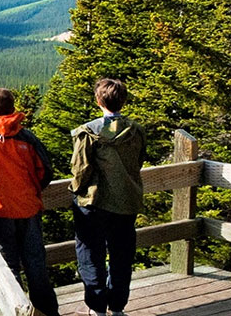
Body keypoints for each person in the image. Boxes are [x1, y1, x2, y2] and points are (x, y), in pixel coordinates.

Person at [0, 88, 58, 316]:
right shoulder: (27, 138)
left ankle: (15, 311)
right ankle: (48, 313)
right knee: (36, 265)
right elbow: (45, 171)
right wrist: (29, 191)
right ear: (13, 109)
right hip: (28, 208)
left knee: (8, 268)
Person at [70, 78, 146, 316]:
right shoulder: (136, 131)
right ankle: (117, 306)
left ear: (98, 101)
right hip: (126, 199)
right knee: (122, 254)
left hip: (94, 202)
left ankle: (97, 307)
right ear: (123, 101)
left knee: (90, 253)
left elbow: (80, 169)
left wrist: (76, 190)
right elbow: (138, 161)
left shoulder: (88, 132)